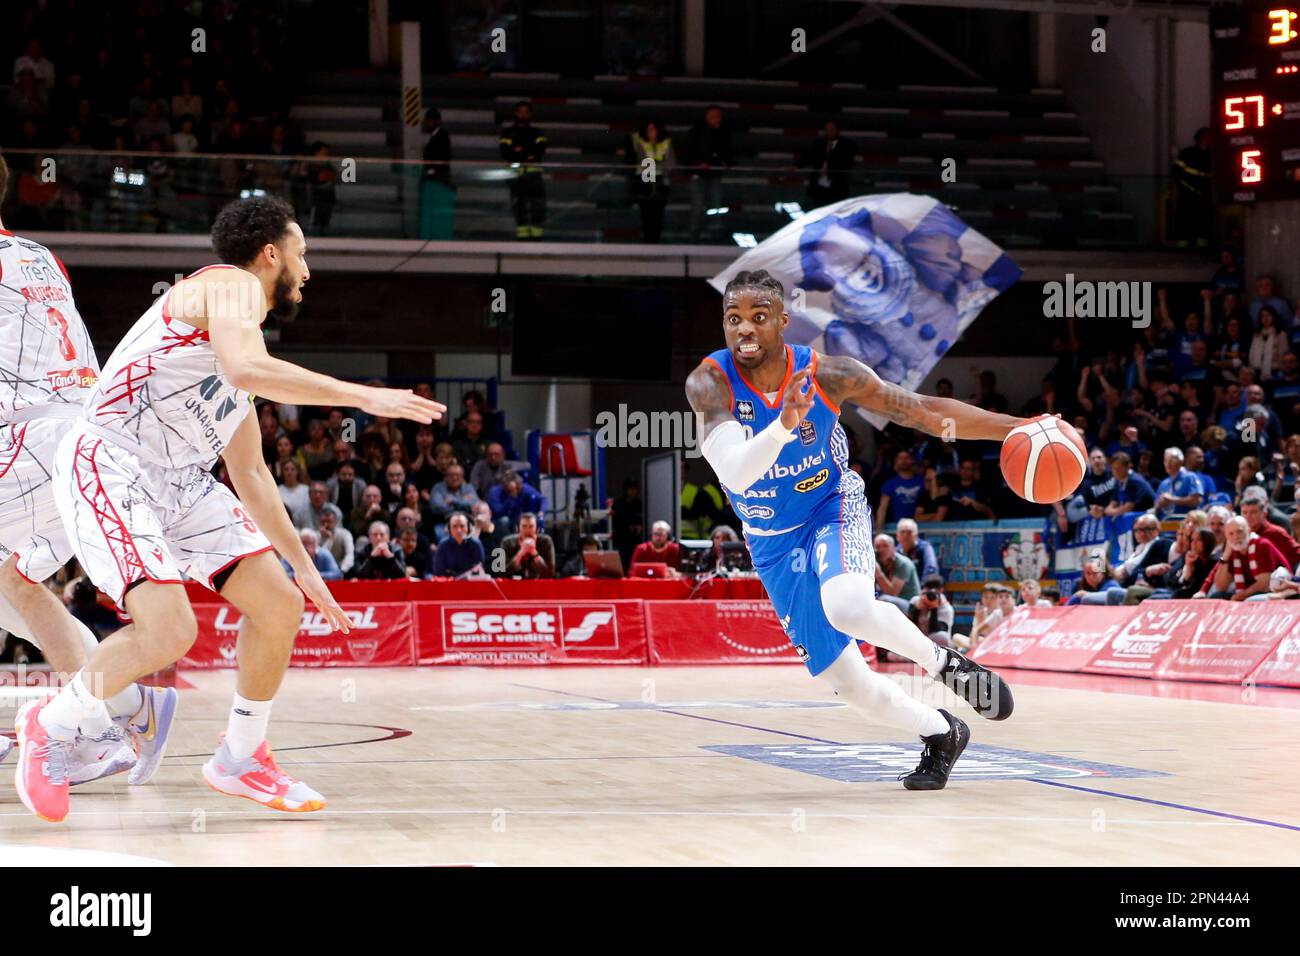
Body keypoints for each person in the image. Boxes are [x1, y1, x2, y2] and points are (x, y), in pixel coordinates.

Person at [16, 196, 443, 822]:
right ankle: (51, 724)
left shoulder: (231, 354)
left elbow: (250, 473)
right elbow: (250, 366)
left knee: (279, 603)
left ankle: (241, 757)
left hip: (180, 482)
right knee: (170, 632)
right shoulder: (231, 286)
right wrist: (359, 396)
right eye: (302, 252)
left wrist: (303, 567)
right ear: (271, 252)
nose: (307, 269)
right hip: (112, 459)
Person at [685, 268, 1017, 792]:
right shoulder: (708, 381)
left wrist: (1018, 427)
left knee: (850, 606)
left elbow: (926, 413)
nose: (744, 329)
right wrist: (785, 425)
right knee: (851, 685)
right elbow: (735, 472)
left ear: (783, 323)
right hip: (771, 540)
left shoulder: (831, 374)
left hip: (829, 506)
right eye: (733, 319)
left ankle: (943, 663)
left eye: (758, 317)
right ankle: (942, 733)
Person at [0, 157, 170, 788]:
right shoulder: (43, 256)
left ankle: (96, 732)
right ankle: (125, 709)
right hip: (84, 436)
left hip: (33, 437)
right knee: (12, 583)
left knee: (11, 583)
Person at [1198, 514, 1288, 600]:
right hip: (1245, 593)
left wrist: (1241, 595)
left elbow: (1264, 583)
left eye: (1239, 531)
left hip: (1273, 591)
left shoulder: (1261, 545)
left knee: (1252, 599)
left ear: (1248, 531)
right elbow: (1221, 586)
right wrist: (1225, 555)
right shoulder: (1233, 551)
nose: (1236, 537)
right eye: (1231, 534)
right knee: (1217, 596)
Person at [684, 105, 734, 240]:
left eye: (718, 116)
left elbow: (728, 153)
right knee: (698, 205)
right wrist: (698, 164)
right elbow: (688, 154)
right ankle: (694, 233)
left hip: (715, 175)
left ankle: (715, 232)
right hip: (698, 175)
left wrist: (726, 162)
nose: (716, 119)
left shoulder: (724, 133)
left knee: (716, 205)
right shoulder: (695, 132)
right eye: (713, 116)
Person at [499, 101, 547, 239]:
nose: (523, 114)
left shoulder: (537, 132)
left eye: (526, 112)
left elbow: (540, 150)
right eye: (520, 111)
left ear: (530, 114)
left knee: (538, 207)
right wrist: (528, 153)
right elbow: (506, 152)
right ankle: (523, 238)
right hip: (515, 175)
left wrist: (519, 151)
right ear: (515, 113)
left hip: (534, 175)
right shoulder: (507, 132)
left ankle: (537, 238)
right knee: (519, 208)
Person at [627, 117, 675, 242]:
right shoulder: (638, 141)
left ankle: (656, 241)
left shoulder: (666, 142)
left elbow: (670, 163)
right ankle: (647, 241)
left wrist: (655, 166)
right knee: (646, 214)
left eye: (654, 129)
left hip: (661, 183)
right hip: (644, 182)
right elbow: (642, 161)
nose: (652, 132)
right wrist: (658, 164)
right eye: (649, 129)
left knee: (659, 215)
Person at [1171, 127, 1212, 248]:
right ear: (1199, 139)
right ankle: (1183, 243)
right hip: (1187, 192)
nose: (1209, 140)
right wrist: (1182, 187)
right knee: (1184, 217)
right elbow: (1176, 171)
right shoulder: (1187, 153)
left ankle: (1202, 244)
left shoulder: (1212, 155)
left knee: (1204, 218)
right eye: (1206, 137)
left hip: (1205, 193)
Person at [802, 119, 856, 207]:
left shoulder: (847, 144)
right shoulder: (818, 143)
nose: (829, 132)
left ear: (838, 130)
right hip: (818, 186)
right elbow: (808, 157)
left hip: (837, 186)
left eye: (832, 129)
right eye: (827, 130)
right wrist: (795, 166)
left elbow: (848, 164)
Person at [419, 108, 455, 240]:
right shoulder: (436, 136)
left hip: (438, 180)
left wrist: (431, 171)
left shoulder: (442, 136)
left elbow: (442, 158)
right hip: (434, 179)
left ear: (437, 121)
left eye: (429, 121)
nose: (426, 123)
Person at [873, 534, 920, 617]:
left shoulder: (903, 564)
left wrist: (879, 574)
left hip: (911, 606)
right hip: (892, 604)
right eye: (877, 546)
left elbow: (892, 593)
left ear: (893, 548)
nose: (881, 550)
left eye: (885, 546)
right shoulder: (879, 562)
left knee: (884, 599)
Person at [499, 512, 555, 579]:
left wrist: (534, 552)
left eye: (531, 526)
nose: (527, 530)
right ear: (517, 528)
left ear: (537, 529)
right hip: (513, 585)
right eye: (524, 526)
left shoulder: (546, 541)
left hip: (539, 585)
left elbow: (550, 573)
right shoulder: (506, 542)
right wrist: (521, 553)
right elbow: (501, 572)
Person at [488, 469, 544, 534]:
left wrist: (541, 512)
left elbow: (543, 499)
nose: (519, 489)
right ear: (506, 486)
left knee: (534, 519)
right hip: (497, 520)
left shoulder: (523, 488)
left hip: (517, 517)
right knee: (505, 520)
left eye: (520, 485)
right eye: (517, 487)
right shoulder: (494, 492)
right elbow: (499, 512)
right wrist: (512, 497)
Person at [1154, 446, 1203, 518]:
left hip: (1184, 521)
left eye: (1172, 460)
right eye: (1166, 460)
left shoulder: (1189, 477)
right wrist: (1159, 504)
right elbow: (1156, 505)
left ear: (1181, 462)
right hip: (1165, 523)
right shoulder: (1164, 483)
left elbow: (1197, 500)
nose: (1168, 464)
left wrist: (1172, 500)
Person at [907, 574, 954, 650]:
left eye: (935, 588)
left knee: (943, 637)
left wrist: (934, 608)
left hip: (933, 643)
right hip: (916, 640)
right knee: (892, 655)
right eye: (929, 588)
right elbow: (907, 627)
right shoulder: (915, 600)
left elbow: (935, 631)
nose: (932, 591)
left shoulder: (947, 608)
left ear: (941, 590)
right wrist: (917, 609)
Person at [432, 513, 486, 578]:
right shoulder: (443, 545)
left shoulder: (476, 544)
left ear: (468, 528)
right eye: (455, 526)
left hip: (471, 583)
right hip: (449, 583)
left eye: (462, 526)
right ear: (449, 529)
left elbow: (479, 569)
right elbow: (438, 571)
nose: (459, 530)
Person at [877, 450, 923, 525]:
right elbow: (882, 509)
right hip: (898, 526)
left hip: (922, 526)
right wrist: (879, 531)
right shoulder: (890, 484)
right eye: (900, 458)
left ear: (912, 460)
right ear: (896, 462)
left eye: (907, 458)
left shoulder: (921, 481)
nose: (904, 460)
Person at [317, 503, 354, 576]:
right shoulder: (315, 536)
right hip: (320, 573)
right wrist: (328, 540)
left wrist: (342, 570)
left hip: (341, 570)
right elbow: (320, 557)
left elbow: (350, 554)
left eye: (329, 522)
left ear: (336, 522)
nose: (326, 525)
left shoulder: (345, 534)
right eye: (323, 522)